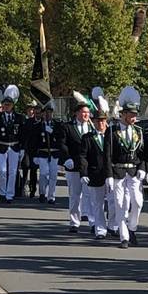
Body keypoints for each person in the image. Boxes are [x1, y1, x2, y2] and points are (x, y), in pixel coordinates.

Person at [111, 88, 146, 249]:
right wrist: (108, 175)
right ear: (123, 114)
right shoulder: (113, 131)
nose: (134, 117)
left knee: (137, 202)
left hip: (133, 171)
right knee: (120, 204)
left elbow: (143, 153)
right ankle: (124, 237)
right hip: (117, 171)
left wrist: (142, 168)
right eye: (131, 114)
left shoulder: (139, 131)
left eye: (135, 114)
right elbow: (107, 154)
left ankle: (132, 227)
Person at [78, 105, 115, 241]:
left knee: (113, 202)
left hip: (111, 174)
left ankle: (113, 226)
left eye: (103, 120)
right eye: (98, 121)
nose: (101, 123)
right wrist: (84, 173)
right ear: (93, 122)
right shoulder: (87, 138)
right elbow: (83, 156)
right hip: (95, 174)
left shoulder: (112, 136)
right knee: (97, 204)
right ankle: (100, 229)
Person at [63, 95, 94, 233]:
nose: (86, 115)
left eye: (87, 112)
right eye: (83, 112)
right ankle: (74, 222)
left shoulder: (92, 127)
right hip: (74, 165)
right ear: (77, 113)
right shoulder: (68, 127)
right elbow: (63, 144)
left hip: (89, 167)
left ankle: (93, 222)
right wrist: (66, 158)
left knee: (90, 195)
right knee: (75, 196)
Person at [0, 85, 23, 202]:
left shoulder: (19, 118)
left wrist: (22, 148)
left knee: (12, 172)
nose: (6, 106)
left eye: (9, 105)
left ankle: (9, 194)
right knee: (2, 171)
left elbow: (22, 134)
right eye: (5, 104)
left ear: (12, 105)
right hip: (1, 146)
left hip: (14, 146)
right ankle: (2, 192)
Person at [26, 101, 65, 204]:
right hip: (42, 153)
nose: (47, 114)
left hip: (54, 153)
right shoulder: (38, 126)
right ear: (42, 113)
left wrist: (52, 131)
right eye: (45, 112)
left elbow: (61, 137)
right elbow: (33, 141)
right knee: (43, 173)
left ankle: (51, 196)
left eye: (50, 112)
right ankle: (42, 193)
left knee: (53, 175)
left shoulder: (57, 124)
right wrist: (34, 155)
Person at [21, 101, 41, 199]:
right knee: (25, 166)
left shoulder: (40, 122)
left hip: (36, 150)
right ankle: (23, 186)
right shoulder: (27, 122)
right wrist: (22, 148)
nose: (31, 112)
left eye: (33, 110)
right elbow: (23, 135)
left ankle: (33, 188)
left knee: (33, 169)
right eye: (30, 110)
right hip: (27, 149)